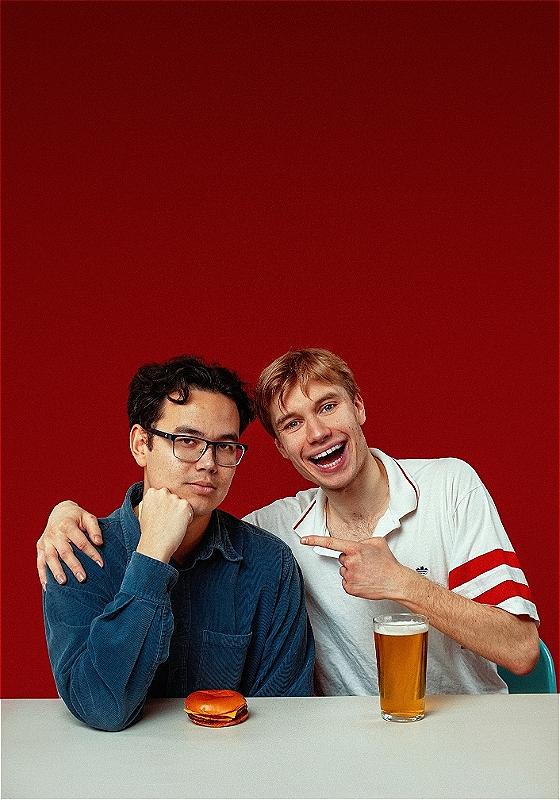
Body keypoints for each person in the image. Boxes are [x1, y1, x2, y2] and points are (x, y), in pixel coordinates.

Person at [38, 348, 539, 697]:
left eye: (327, 406)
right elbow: (186, 519)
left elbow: (520, 651)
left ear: (359, 406)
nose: (318, 433)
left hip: (475, 732)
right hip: (348, 754)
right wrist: (66, 514)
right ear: (280, 448)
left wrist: (402, 584)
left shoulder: (450, 486)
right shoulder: (275, 533)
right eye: (294, 424)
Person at [40, 355, 314, 731]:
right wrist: (152, 555)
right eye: (187, 441)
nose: (208, 463)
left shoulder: (268, 564)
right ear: (141, 444)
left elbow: (287, 717)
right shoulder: (77, 552)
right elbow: (101, 707)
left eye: (225, 446)